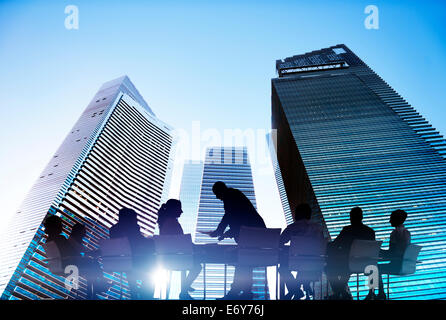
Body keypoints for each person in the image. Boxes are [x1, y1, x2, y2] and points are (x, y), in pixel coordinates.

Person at [208, 181, 266, 300]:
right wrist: (227, 233)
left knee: (241, 259)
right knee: (245, 261)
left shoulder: (229, 196)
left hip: (250, 234)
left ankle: (236, 292)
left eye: (216, 194)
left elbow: (229, 216)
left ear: (220, 191)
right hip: (256, 233)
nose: (216, 197)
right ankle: (244, 292)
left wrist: (218, 231)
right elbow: (239, 218)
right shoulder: (235, 194)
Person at [44, 216, 105, 299]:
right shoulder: (60, 238)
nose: (62, 226)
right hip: (68, 264)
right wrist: (89, 254)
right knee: (93, 263)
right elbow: (73, 253)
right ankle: (98, 287)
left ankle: (94, 291)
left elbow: (69, 253)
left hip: (60, 266)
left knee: (91, 266)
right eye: (60, 224)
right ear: (56, 226)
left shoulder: (48, 240)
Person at [325, 207, 375, 300]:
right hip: (366, 265)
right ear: (361, 217)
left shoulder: (347, 230)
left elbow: (335, 244)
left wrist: (327, 245)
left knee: (328, 268)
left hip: (347, 264)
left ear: (351, 218)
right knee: (343, 269)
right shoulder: (370, 232)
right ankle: (342, 292)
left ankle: (340, 292)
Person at [156, 199, 202, 300]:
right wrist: (198, 247)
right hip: (177, 259)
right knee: (197, 266)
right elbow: (182, 242)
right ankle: (184, 289)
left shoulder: (164, 222)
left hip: (167, 260)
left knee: (188, 262)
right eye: (179, 209)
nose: (181, 211)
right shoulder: (173, 222)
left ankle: (185, 289)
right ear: (174, 209)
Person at [279, 203, 326, 300]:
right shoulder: (318, 228)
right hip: (316, 264)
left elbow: (279, 242)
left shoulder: (292, 227)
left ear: (297, 214)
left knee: (283, 267)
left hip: (296, 262)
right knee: (304, 266)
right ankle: (300, 287)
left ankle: (295, 290)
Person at [109, 208, 155, 300]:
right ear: (130, 219)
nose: (136, 220)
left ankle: (135, 292)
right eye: (135, 218)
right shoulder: (133, 228)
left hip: (120, 263)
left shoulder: (113, 230)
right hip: (135, 262)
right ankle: (145, 295)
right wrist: (151, 241)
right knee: (152, 267)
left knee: (131, 266)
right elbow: (139, 242)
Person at [365, 209, 411, 300]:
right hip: (403, 264)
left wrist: (378, 250)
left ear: (396, 220)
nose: (389, 221)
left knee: (373, 268)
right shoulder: (407, 233)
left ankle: (375, 294)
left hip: (396, 265)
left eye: (391, 219)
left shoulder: (395, 233)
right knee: (375, 267)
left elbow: (392, 252)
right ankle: (378, 293)